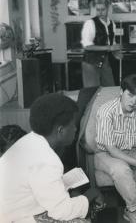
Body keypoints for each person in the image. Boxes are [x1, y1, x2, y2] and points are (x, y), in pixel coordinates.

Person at [0, 94, 102, 223]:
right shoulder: (47, 160)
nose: (76, 129)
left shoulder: (30, 140)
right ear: (60, 131)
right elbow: (62, 211)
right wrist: (90, 195)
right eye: (72, 124)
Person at [94, 74, 136, 223]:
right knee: (121, 169)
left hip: (134, 151)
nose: (133, 101)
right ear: (121, 92)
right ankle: (132, 209)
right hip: (106, 154)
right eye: (130, 95)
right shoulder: (106, 111)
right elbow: (111, 149)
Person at [81, 0, 122, 87]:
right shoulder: (90, 23)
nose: (100, 12)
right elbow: (87, 46)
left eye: (103, 9)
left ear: (108, 9)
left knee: (110, 89)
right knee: (92, 93)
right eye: (98, 10)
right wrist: (109, 47)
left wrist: (116, 53)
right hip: (90, 63)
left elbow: (112, 44)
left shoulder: (112, 24)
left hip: (105, 62)